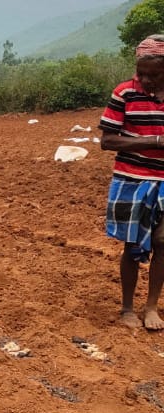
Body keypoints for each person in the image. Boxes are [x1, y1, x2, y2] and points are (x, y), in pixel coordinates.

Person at [100, 34, 164, 330]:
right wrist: (155, 141)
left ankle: (151, 306)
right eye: (142, 73)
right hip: (132, 179)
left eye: (154, 75)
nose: (146, 80)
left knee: (163, 244)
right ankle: (127, 308)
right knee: (131, 245)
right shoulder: (124, 93)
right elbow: (108, 140)